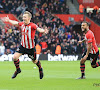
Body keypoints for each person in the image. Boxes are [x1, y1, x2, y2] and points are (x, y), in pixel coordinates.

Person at [2, 11, 48, 79]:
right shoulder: (22, 24)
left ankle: (40, 69)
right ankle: (18, 70)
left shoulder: (32, 25)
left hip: (30, 48)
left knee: (35, 61)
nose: (23, 18)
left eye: (25, 17)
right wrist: (9, 20)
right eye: (23, 17)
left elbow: (38, 29)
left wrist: (43, 31)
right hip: (23, 46)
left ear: (29, 18)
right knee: (14, 57)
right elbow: (16, 23)